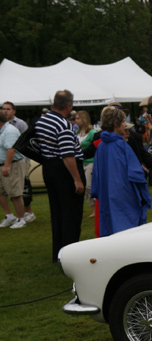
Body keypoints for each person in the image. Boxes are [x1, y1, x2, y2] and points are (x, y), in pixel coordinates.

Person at [37, 90, 85, 261]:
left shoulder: (42, 120)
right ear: (69, 105)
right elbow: (67, 154)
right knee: (71, 213)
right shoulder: (63, 124)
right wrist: (77, 179)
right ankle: (70, 255)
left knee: (57, 212)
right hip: (65, 169)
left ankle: (58, 252)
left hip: (49, 166)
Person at [91, 106, 150, 236]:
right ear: (116, 124)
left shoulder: (101, 147)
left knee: (110, 227)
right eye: (123, 122)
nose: (125, 125)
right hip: (124, 195)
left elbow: (96, 176)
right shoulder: (121, 145)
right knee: (127, 228)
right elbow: (136, 174)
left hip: (107, 195)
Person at [0, 110, 32, 228]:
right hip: (2, 164)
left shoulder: (9, 131)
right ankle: (9, 216)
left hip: (12, 164)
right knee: (1, 192)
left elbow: (11, 150)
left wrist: (7, 166)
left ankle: (20, 219)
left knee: (15, 193)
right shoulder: (1, 131)